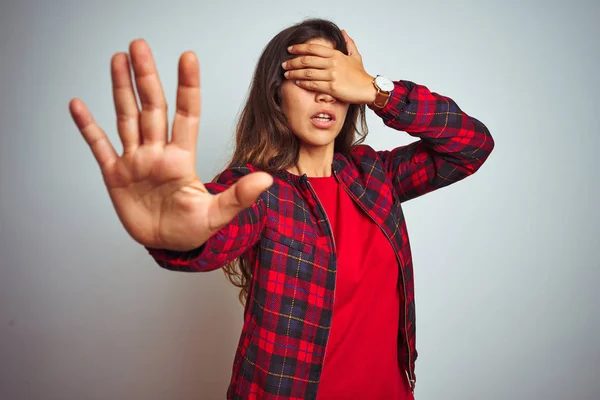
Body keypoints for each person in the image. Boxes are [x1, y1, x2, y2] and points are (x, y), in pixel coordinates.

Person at [69, 18, 494, 400]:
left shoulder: (374, 176)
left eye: (335, 80)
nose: (324, 95)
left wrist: (377, 89)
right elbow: (213, 231)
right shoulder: (259, 189)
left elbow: (471, 146)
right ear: (277, 95)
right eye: (307, 79)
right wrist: (179, 236)